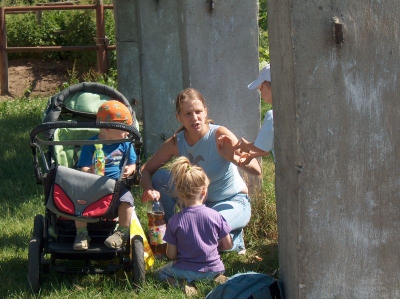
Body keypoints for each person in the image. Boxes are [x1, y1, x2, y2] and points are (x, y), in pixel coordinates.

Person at [140, 87, 261, 254]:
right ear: (179, 117)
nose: (194, 118)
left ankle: (235, 238)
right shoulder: (177, 142)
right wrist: (148, 189)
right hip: (199, 205)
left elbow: (256, 169)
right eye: (188, 114)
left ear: (205, 111)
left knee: (205, 230)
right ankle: (168, 235)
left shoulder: (219, 134)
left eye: (198, 111)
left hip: (232, 201)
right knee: (161, 177)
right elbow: (146, 170)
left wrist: (234, 158)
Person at [155, 157, 233, 295]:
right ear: (203, 191)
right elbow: (228, 245)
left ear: (179, 193)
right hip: (214, 268)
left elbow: (171, 255)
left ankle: (182, 285)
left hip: (185, 270)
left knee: (160, 273)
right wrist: (212, 248)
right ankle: (216, 279)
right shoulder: (216, 215)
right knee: (213, 273)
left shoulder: (174, 221)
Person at [73, 100, 136, 251]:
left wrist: (130, 169)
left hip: (116, 186)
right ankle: (82, 234)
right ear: (108, 128)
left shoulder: (125, 144)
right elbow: (84, 169)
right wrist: (91, 170)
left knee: (127, 201)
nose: (127, 132)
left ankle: (121, 232)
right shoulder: (91, 144)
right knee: (79, 200)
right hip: (93, 185)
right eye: (124, 128)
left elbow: (133, 163)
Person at [234, 64, 274, 166]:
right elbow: (269, 145)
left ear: (270, 86)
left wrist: (246, 146)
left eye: (261, 87)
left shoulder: (273, 116)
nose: (260, 91)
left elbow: (261, 146)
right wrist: (251, 155)